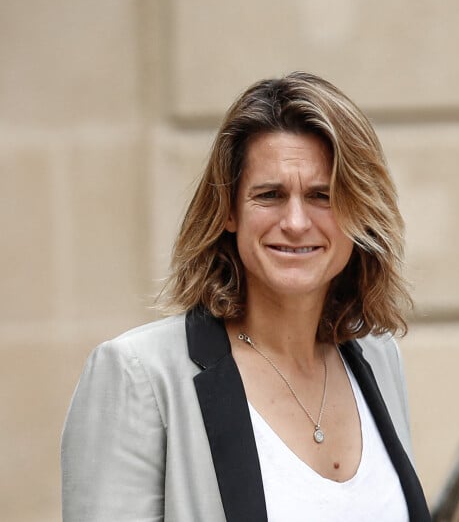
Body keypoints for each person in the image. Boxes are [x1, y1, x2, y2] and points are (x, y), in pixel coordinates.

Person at [61, 72, 431, 521]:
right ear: (230, 212)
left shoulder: (378, 359)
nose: (295, 222)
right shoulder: (139, 375)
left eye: (322, 195)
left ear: (360, 213)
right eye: (270, 195)